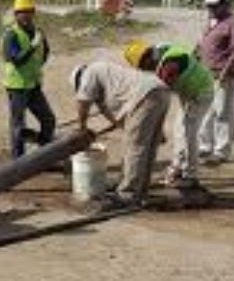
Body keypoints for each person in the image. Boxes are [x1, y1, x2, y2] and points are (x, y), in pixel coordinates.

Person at [70, 61, 171, 205]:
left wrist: (81, 127)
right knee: (148, 147)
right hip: (160, 91)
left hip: (144, 96)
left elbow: (82, 102)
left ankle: (128, 193)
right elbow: (116, 118)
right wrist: (149, 130)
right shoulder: (107, 79)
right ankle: (141, 189)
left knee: (135, 147)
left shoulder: (89, 72)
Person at [124, 40, 214, 188]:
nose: (147, 70)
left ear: (147, 58)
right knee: (179, 130)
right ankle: (178, 167)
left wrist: (157, 127)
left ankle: (191, 175)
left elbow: (161, 95)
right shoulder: (162, 51)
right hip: (189, 93)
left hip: (200, 93)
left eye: (144, 67)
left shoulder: (169, 64)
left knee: (188, 133)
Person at [1, 0, 56, 159]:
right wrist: (32, 47)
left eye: (28, 12)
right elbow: (15, 59)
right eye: (21, 13)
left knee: (49, 120)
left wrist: (36, 65)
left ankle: (43, 155)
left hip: (33, 84)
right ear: (16, 15)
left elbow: (45, 52)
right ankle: (18, 162)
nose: (25, 16)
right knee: (18, 125)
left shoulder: (39, 32)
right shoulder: (11, 34)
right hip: (17, 87)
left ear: (33, 13)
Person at [197, 0, 234, 164]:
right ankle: (204, 145)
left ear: (225, 4)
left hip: (224, 74)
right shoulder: (211, 21)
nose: (211, 9)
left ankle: (221, 151)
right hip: (206, 73)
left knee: (222, 112)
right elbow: (202, 43)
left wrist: (225, 70)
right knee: (206, 110)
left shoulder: (233, 23)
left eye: (214, 6)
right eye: (208, 6)